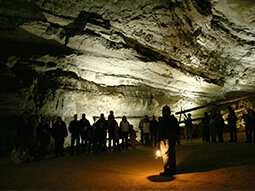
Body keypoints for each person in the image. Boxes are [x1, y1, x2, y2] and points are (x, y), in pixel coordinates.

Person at [158, 105, 179, 176]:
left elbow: (161, 130)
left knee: (166, 155)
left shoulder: (164, 120)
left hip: (165, 140)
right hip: (171, 139)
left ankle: (168, 170)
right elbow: (177, 129)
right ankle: (173, 169)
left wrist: (160, 139)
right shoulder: (173, 119)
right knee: (171, 153)